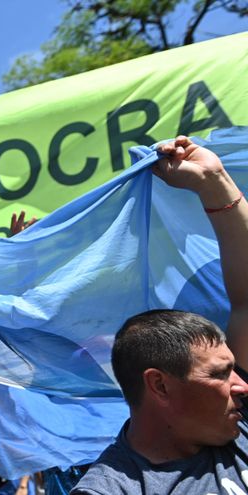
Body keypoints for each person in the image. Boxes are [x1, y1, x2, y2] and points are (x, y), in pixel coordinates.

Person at [71, 135, 248, 494]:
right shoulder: (112, 489)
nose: (242, 385)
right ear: (160, 385)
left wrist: (214, 181)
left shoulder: (238, 423)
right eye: (219, 374)